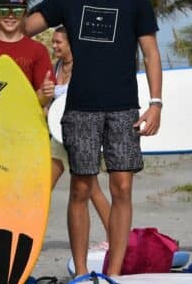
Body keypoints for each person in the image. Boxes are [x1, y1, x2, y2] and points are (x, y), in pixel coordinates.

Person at [0, 0, 163, 277]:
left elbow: (150, 53)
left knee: (122, 187)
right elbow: (23, 27)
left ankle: (113, 274)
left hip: (124, 107)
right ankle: (79, 275)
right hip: (80, 108)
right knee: (81, 187)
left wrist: (156, 103)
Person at [41, 26, 111, 239]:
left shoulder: (85, 69)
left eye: (58, 42)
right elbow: (47, 106)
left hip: (81, 136)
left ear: (71, 44)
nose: (54, 46)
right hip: (58, 137)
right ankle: (28, 233)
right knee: (43, 187)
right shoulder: (54, 68)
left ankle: (115, 237)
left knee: (93, 190)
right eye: (53, 42)